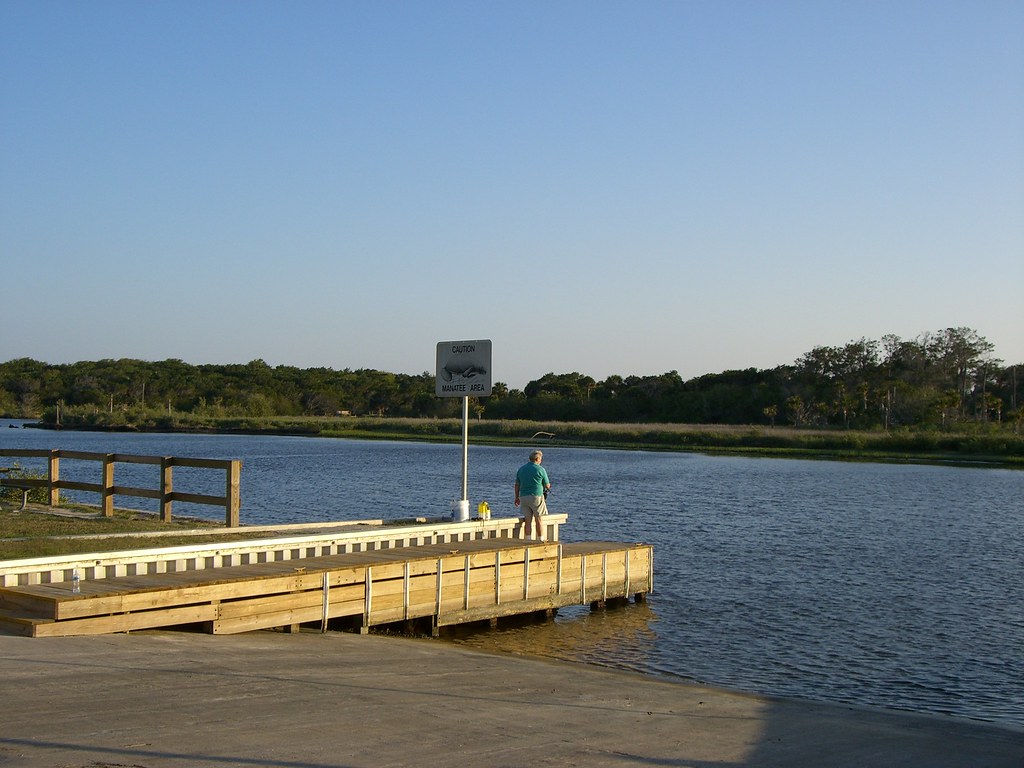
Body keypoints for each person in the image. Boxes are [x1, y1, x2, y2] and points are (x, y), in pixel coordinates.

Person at [514, 449, 551, 541]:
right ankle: (540, 540)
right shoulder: (541, 469)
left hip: (523, 496)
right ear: (537, 459)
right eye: (540, 458)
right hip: (536, 496)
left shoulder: (521, 469)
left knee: (528, 520)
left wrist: (516, 497)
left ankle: (528, 540)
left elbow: (517, 485)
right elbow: (547, 485)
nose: (541, 460)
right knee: (538, 519)